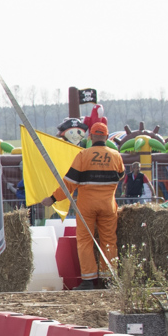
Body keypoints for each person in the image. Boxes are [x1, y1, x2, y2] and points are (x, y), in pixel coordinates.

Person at [61, 121, 125, 289]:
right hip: (108, 205)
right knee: (109, 241)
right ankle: (109, 280)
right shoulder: (116, 155)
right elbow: (121, 175)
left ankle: (88, 280)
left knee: (85, 241)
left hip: (87, 206)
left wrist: (53, 198)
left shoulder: (83, 155)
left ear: (90, 137)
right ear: (106, 137)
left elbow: (69, 183)